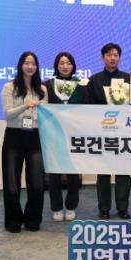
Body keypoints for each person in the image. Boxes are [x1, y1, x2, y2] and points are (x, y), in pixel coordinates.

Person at [0, 51, 48, 233]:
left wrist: (42, 108)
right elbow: (8, 114)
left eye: (33, 64)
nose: (30, 66)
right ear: (20, 65)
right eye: (27, 63)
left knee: (36, 183)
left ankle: (32, 220)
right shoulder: (9, 87)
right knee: (12, 184)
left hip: (35, 136)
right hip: (14, 136)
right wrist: (25, 106)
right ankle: (13, 221)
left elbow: (46, 116)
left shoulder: (42, 89)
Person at [85, 43, 131, 219]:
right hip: (102, 132)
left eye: (116, 55)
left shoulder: (129, 79)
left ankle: (123, 208)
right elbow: (89, 108)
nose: (112, 58)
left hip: (124, 133)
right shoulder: (94, 80)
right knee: (103, 173)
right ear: (102, 57)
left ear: (119, 57)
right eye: (109, 55)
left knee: (123, 172)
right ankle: (104, 208)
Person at [44, 52, 84, 222]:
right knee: (55, 173)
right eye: (61, 63)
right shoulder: (47, 85)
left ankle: (71, 206)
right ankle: (56, 207)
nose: (65, 66)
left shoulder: (82, 84)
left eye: (68, 63)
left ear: (73, 66)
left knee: (73, 172)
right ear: (56, 65)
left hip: (74, 134)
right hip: (53, 134)